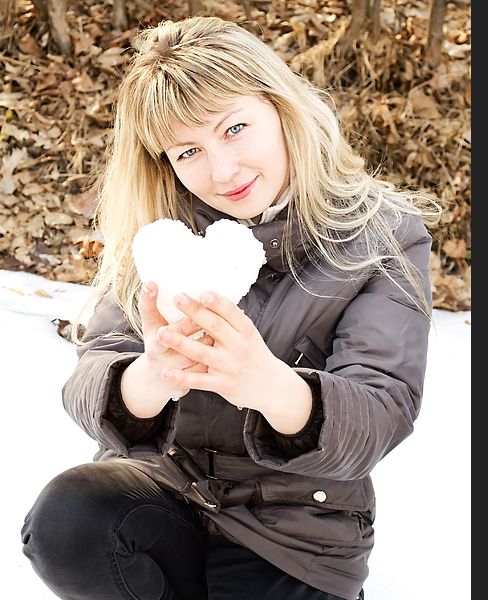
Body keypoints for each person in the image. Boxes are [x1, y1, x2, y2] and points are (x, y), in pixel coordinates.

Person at [21, 15, 441, 600]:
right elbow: (92, 374)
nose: (222, 172)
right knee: (68, 520)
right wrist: (151, 374)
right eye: (187, 150)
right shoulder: (164, 234)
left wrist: (264, 382)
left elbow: (380, 413)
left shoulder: (383, 234)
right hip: (163, 499)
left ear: (280, 106)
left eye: (235, 128)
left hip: (297, 538)